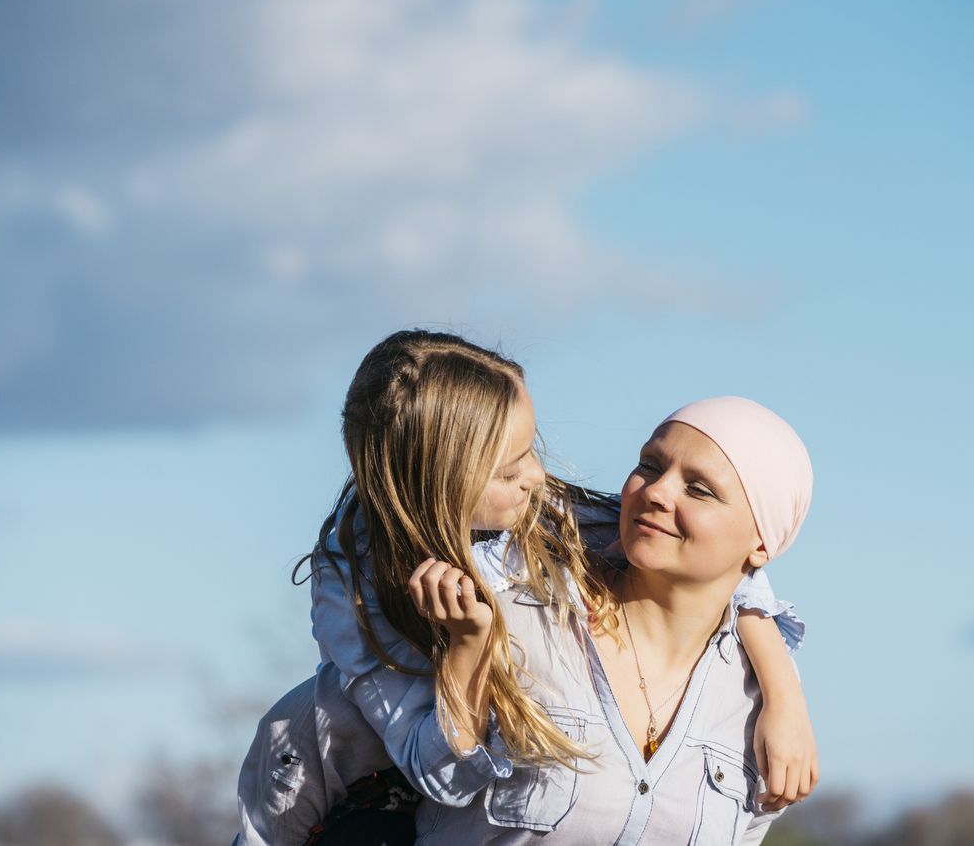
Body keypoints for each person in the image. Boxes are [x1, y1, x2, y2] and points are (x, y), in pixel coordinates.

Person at [235, 332, 815, 843]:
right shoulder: (370, 594)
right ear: (439, 482)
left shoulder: (554, 524)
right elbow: (426, 770)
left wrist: (783, 693)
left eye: (530, 452)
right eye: (509, 469)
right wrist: (467, 651)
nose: (539, 479)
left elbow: (733, 570)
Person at [410, 395, 813, 843]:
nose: (656, 492)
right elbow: (360, 748)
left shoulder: (756, 704)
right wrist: (466, 653)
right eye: (650, 465)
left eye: (699, 489)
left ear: (762, 545)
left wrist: (782, 693)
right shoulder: (506, 616)